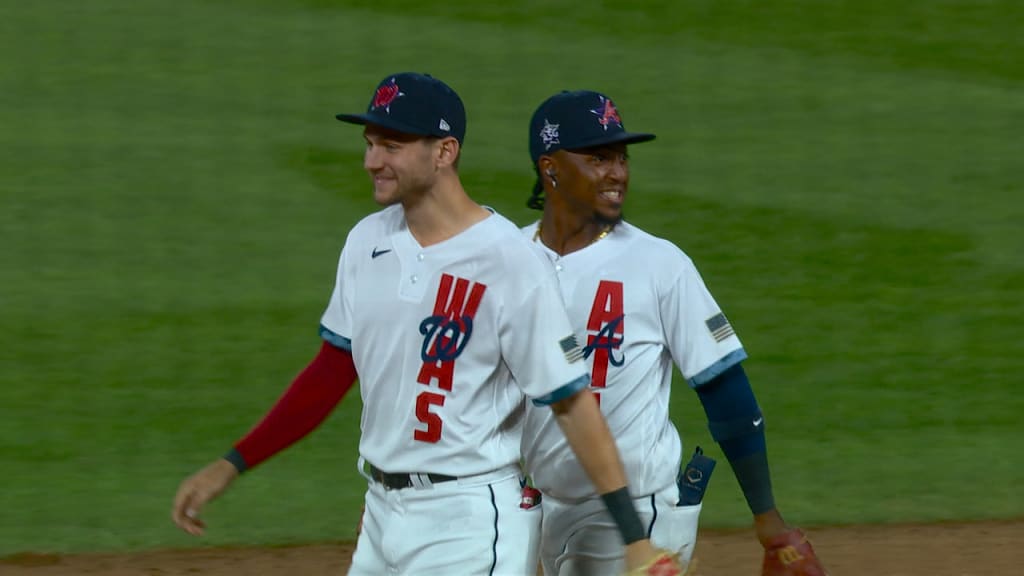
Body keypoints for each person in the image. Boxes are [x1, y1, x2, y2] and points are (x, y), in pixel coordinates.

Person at [170, 74, 685, 576]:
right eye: (370, 144)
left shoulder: (509, 261)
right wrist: (232, 463)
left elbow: (571, 403)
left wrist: (634, 539)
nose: (372, 161)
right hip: (380, 514)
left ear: (444, 152)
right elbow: (331, 371)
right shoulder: (366, 242)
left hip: (467, 520)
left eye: (391, 145)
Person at [519, 90, 828, 576]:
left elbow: (725, 392)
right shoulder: (508, 260)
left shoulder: (659, 264)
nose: (617, 173)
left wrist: (768, 519)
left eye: (621, 158)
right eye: (599, 158)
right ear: (550, 167)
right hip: (541, 510)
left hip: (642, 515)